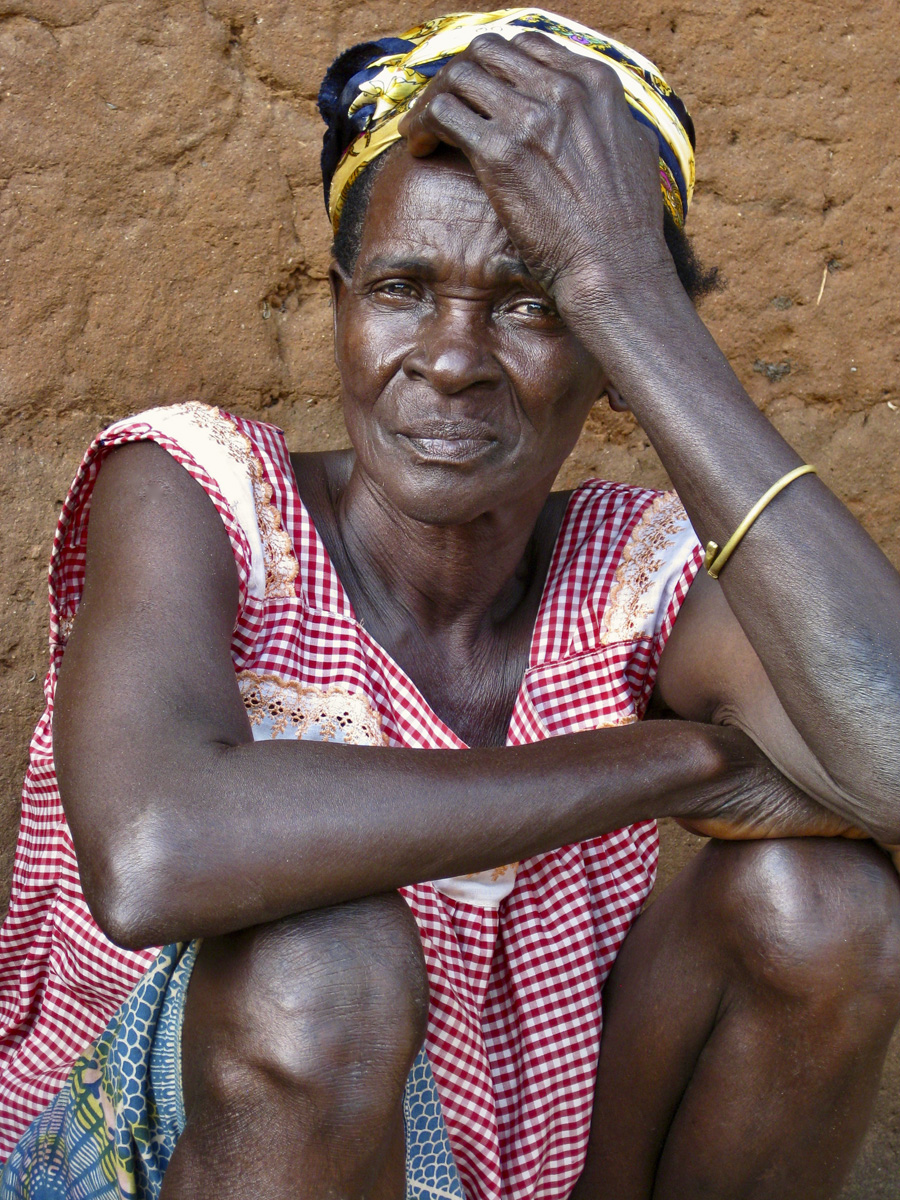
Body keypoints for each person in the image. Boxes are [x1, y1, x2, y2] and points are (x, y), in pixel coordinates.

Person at [2, 8, 900, 1199]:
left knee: (823, 905)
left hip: (517, 1165)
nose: (453, 356)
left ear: (614, 361)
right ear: (339, 304)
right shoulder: (199, 492)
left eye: (533, 303)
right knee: (321, 954)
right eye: (401, 288)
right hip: (144, 1160)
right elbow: (158, 854)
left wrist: (629, 289)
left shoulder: (632, 574)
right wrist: (683, 764)